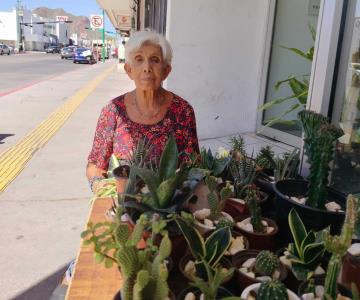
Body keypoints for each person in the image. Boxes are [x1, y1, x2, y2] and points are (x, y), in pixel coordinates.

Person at [86, 30, 200, 193]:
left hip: (167, 205)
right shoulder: (112, 111)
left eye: (155, 60)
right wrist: (100, 188)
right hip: (123, 204)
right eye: (139, 60)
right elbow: (95, 166)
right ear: (129, 70)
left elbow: (192, 167)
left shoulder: (183, 111)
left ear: (166, 70)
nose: (147, 68)